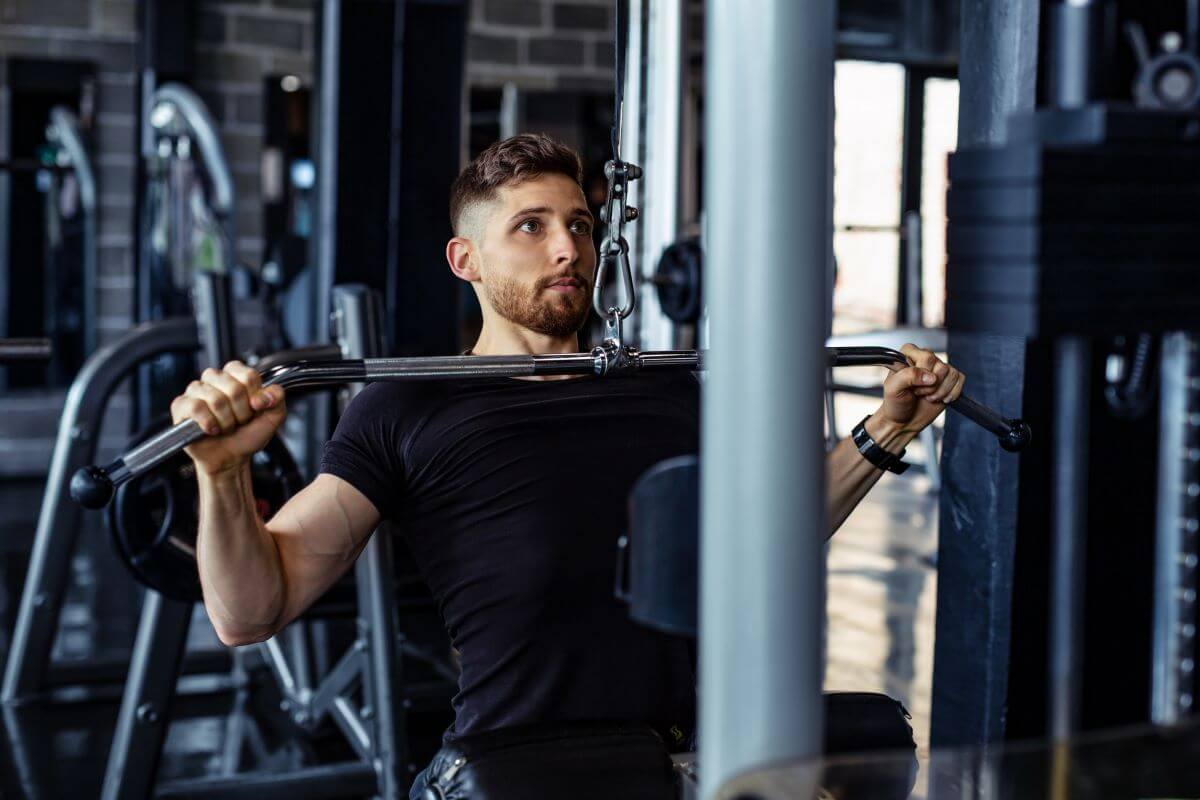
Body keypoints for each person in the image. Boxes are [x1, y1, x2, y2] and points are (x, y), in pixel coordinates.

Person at [173, 134, 962, 796]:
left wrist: (885, 431)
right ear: (465, 259)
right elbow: (251, 612)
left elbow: (765, 544)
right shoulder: (407, 408)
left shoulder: (667, 387)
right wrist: (221, 473)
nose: (568, 248)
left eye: (581, 225)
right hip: (523, 773)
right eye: (532, 226)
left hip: (686, 767)